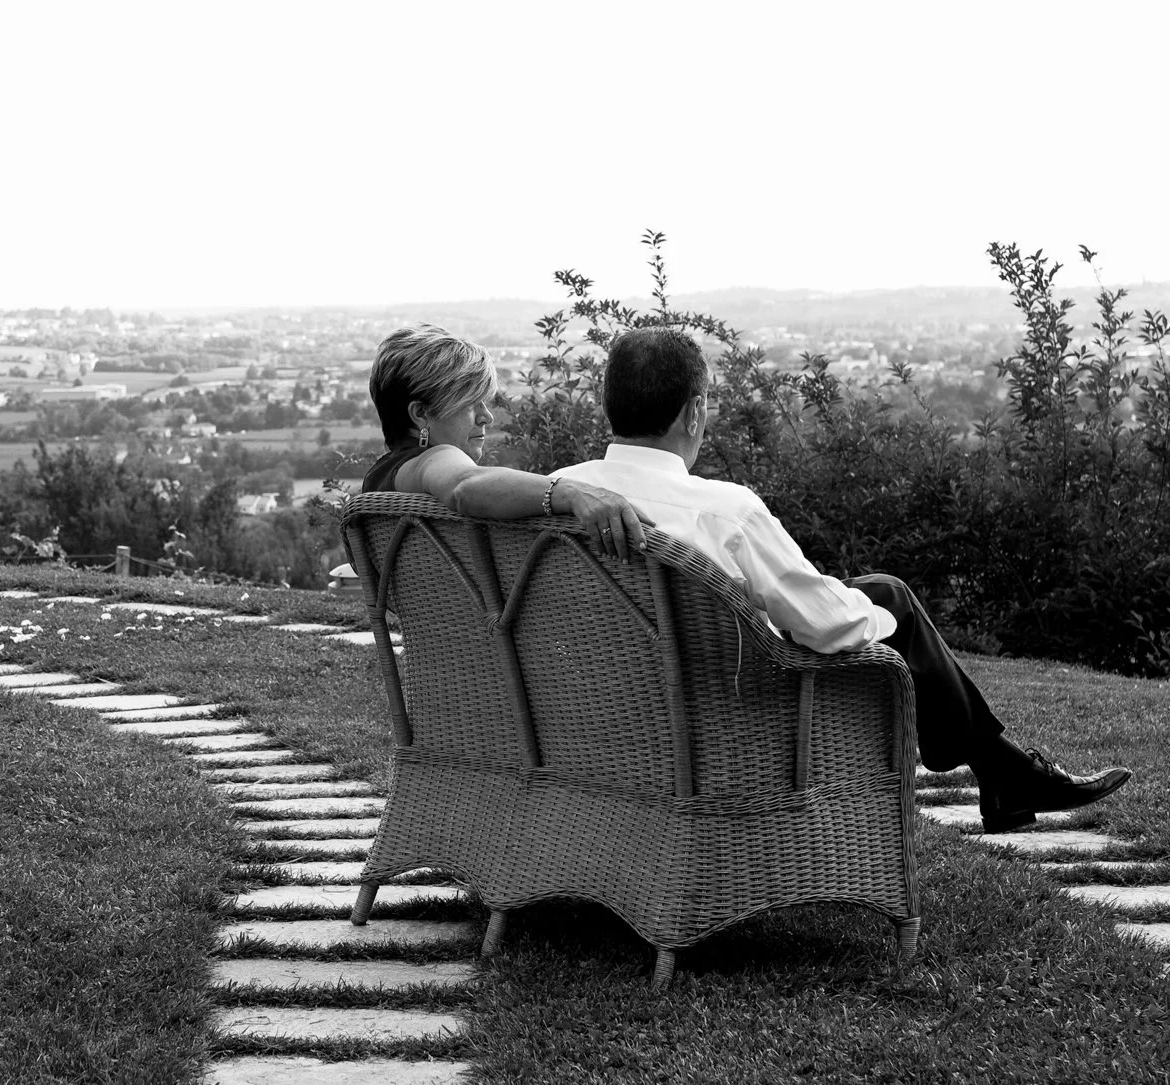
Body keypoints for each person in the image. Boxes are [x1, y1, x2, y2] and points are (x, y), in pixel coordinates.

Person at [546, 327, 1130, 832]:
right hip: (724, 717)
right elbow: (829, 628)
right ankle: (1005, 772)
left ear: (611, 407)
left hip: (601, 716)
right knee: (888, 598)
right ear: (694, 413)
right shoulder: (723, 511)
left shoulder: (557, 498)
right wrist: (884, 620)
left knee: (873, 590)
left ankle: (1002, 773)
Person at [361, 324, 655, 558]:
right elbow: (464, 486)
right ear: (421, 414)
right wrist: (573, 492)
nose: (487, 417)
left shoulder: (382, 482)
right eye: (470, 404)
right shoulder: (429, 461)